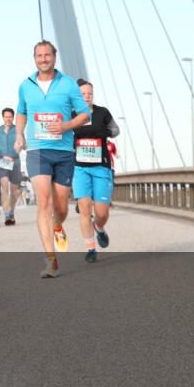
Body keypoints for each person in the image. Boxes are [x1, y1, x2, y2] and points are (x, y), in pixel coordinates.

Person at [14, 40, 91, 278]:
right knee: (44, 202)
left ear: (54, 57)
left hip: (64, 151)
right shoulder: (26, 86)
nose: (44, 59)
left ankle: (58, 226)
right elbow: (21, 112)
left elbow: (85, 115)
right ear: (34, 58)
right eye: (39, 55)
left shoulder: (68, 84)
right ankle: (51, 260)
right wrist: (18, 135)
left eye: (48, 55)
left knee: (60, 206)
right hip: (38, 150)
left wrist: (66, 125)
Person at [71, 79, 119, 263]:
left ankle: (99, 227)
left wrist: (105, 133)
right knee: (84, 209)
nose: (87, 96)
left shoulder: (102, 112)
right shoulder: (72, 114)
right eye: (83, 94)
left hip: (101, 167)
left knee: (101, 212)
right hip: (80, 168)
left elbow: (116, 130)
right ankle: (90, 248)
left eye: (90, 93)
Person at [0, 108, 22, 226]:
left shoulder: (18, 130)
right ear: (3, 117)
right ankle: (7, 214)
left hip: (15, 162)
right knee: (4, 186)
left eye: (10, 117)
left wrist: (20, 147)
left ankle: (12, 212)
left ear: (13, 117)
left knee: (14, 191)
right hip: (2, 162)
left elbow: (23, 144)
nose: (8, 119)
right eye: (6, 116)